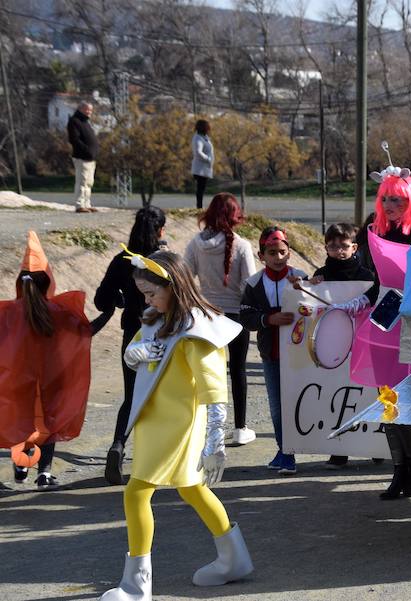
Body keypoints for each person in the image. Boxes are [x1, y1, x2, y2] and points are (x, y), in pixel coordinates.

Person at [100, 249, 252, 600]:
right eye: (143, 294)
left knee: (136, 492)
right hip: (154, 421)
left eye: (152, 292)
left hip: (181, 424)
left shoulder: (197, 328)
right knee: (192, 489)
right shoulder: (157, 318)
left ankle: (137, 584)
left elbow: (214, 389)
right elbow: (137, 350)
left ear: (175, 286)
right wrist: (132, 354)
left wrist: (215, 442)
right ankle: (233, 558)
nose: (147, 299)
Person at [2, 232, 111, 490]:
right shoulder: (58, 312)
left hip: (19, 380)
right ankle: (44, 473)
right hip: (53, 379)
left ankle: (21, 464)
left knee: (22, 419)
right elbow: (85, 332)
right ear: (48, 281)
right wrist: (110, 312)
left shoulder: (7, 313)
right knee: (48, 422)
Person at [349, 167, 411, 500]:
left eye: (397, 199)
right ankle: (404, 468)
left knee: (405, 397)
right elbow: (374, 280)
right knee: (387, 398)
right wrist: (358, 301)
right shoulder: (376, 232)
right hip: (385, 315)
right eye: (385, 198)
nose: (390, 204)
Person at [95, 206, 168, 485]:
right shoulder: (163, 261)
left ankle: (117, 445)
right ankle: (157, 458)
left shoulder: (121, 259)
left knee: (132, 395)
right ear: (160, 230)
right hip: (164, 334)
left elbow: (101, 300)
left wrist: (120, 299)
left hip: (133, 335)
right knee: (162, 396)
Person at [185, 193, 257, 445]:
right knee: (238, 370)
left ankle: (203, 427)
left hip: (206, 315)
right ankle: (240, 428)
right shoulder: (243, 245)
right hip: (236, 316)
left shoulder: (195, 243)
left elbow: (186, 277)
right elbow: (250, 283)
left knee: (206, 372)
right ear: (235, 215)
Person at [306, 223, 378, 469]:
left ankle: (374, 446)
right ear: (325, 247)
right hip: (333, 344)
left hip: (363, 343)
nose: (339, 250)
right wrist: (311, 286)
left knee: (364, 393)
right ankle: (339, 450)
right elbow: (308, 304)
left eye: (344, 246)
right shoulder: (321, 275)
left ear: (354, 247)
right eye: (333, 246)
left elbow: (374, 302)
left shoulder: (368, 277)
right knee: (336, 394)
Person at [239, 227, 307, 475]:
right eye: (272, 253)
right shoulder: (254, 283)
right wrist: (269, 319)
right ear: (261, 255)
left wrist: (307, 290)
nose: (278, 258)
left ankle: (290, 450)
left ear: (289, 253)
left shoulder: (301, 278)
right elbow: (245, 317)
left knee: (300, 403)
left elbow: (318, 306)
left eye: (282, 252)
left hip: (302, 355)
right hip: (272, 356)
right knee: (278, 407)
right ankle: (286, 451)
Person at [67, 101, 99, 213]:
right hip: (82, 157)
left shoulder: (85, 122)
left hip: (90, 158)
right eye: (87, 109)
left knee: (89, 182)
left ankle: (87, 203)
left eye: (90, 110)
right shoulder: (74, 121)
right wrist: (86, 150)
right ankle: (79, 205)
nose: (89, 112)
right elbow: (74, 140)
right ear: (80, 109)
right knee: (82, 182)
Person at [191, 120, 214, 209]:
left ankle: (199, 206)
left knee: (202, 188)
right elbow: (198, 152)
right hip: (200, 169)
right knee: (200, 189)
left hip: (205, 168)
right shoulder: (198, 138)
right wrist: (208, 159)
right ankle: (199, 207)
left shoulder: (204, 137)